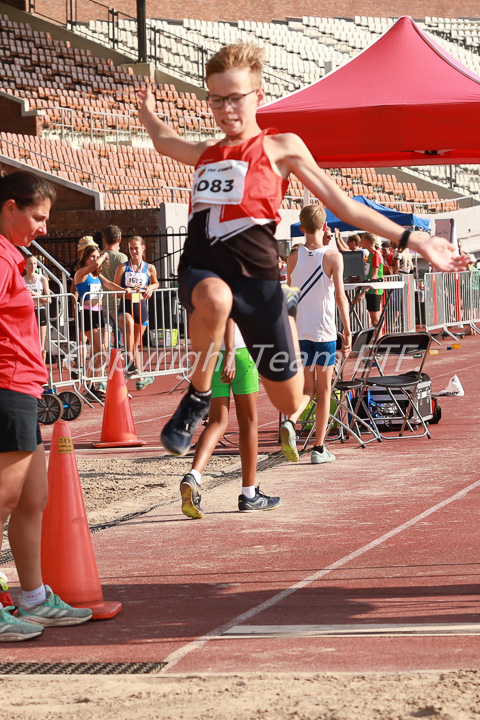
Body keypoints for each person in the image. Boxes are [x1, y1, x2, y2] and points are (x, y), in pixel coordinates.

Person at [137, 42, 467, 458]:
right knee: (213, 298)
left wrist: (413, 238)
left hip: (257, 283)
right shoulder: (207, 153)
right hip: (202, 268)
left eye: (235, 99)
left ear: (258, 96)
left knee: (291, 402)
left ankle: (285, 314)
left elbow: (343, 205)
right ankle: (196, 398)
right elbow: (165, 141)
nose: (225, 110)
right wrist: (146, 111)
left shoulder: (282, 148)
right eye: (216, 100)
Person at [0, 170, 93, 642]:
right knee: (3, 500)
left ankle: (33, 597)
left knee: (32, 498)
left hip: (23, 389)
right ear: (9, 208)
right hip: (6, 388)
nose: (44, 228)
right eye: (38, 217)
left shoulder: (11, 258)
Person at [180, 319, 281, 517]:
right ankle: (249, 494)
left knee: (217, 421)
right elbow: (230, 315)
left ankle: (194, 475)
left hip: (211, 352)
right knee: (249, 421)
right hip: (238, 351)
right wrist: (232, 353)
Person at [280, 203, 352, 464]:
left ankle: (291, 420)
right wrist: (348, 329)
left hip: (301, 332)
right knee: (324, 391)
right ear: (324, 227)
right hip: (324, 332)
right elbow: (341, 297)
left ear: (301, 228)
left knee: (307, 389)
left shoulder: (292, 257)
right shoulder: (334, 257)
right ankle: (319, 449)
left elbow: (289, 297)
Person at [74, 244, 122, 399]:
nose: (95, 260)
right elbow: (95, 264)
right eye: (92, 256)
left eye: (96, 256)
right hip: (87, 314)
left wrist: (124, 290)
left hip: (99, 313)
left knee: (100, 352)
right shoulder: (81, 273)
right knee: (100, 349)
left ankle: (90, 385)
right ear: (86, 258)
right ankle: (90, 385)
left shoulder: (96, 275)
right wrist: (103, 256)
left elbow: (108, 284)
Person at [114, 235, 159, 390]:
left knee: (135, 344)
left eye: (136, 248)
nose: (134, 251)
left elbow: (156, 283)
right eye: (131, 248)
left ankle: (138, 376)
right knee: (128, 324)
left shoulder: (150, 268)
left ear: (143, 248)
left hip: (142, 307)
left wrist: (150, 289)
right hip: (126, 306)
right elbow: (114, 288)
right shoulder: (122, 267)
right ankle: (129, 366)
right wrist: (123, 290)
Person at [100, 225, 128, 349]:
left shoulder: (98, 256)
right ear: (119, 239)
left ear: (104, 240)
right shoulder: (121, 257)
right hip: (117, 300)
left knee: (105, 332)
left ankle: (105, 360)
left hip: (101, 299)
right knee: (123, 332)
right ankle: (124, 359)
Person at [23, 255, 50, 361]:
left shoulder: (42, 279)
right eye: (30, 263)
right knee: (28, 343)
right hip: (26, 313)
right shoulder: (21, 280)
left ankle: (42, 371)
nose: (33, 266)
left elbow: (49, 299)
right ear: (25, 265)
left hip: (40, 310)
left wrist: (35, 294)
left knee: (40, 345)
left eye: (35, 263)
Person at [356, 232, 384, 329]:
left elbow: (374, 276)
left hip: (374, 290)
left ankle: (378, 341)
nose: (360, 242)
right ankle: (375, 340)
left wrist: (363, 292)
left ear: (367, 241)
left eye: (362, 240)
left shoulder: (376, 255)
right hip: (370, 290)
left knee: (375, 320)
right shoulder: (371, 255)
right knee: (373, 320)